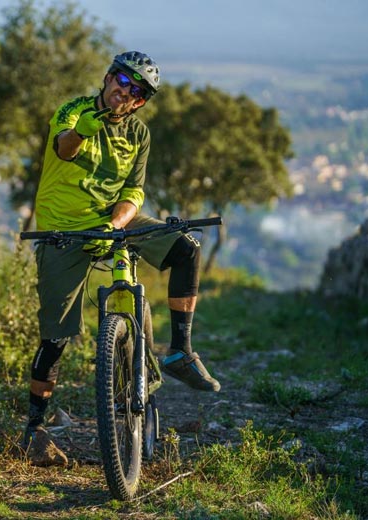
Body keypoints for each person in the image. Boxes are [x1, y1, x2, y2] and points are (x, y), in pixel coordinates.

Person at [24, 51, 221, 466]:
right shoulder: (74, 111)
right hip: (64, 230)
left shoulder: (138, 134)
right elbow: (65, 149)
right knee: (55, 337)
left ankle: (180, 352)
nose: (125, 91)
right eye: (122, 81)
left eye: (137, 91)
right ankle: (34, 428)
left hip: (111, 221)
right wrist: (92, 123)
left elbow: (134, 191)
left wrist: (118, 222)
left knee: (186, 247)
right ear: (109, 78)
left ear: (140, 103)